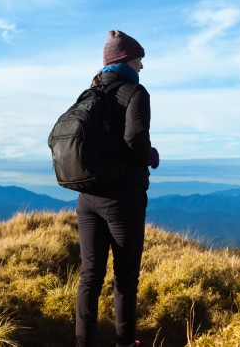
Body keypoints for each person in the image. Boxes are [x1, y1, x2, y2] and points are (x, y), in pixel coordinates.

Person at [75, 30, 159, 347]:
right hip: (121, 198)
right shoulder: (135, 93)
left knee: (90, 275)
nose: (141, 66)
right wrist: (149, 155)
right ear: (125, 59)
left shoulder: (90, 93)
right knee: (125, 277)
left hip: (87, 197)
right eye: (139, 59)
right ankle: (125, 343)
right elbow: (136, 140)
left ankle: (84, 343)